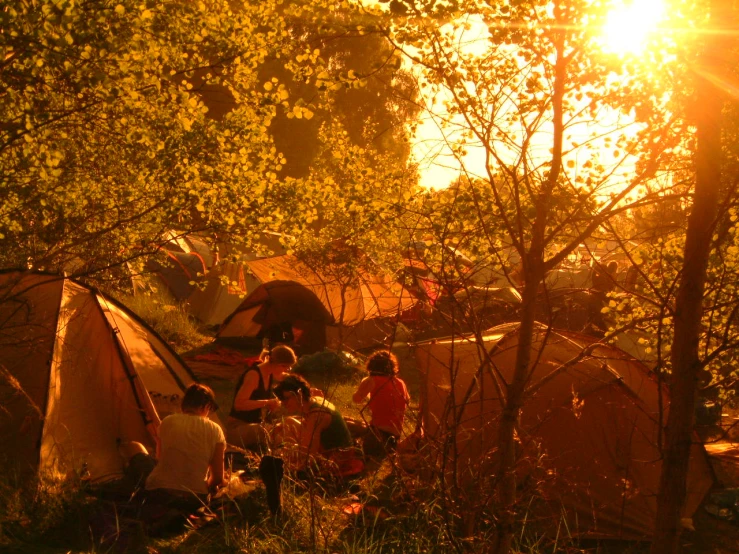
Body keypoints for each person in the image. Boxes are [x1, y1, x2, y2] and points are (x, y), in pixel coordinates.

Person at [144, 383, 225, 511]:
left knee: (138, 453)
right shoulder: (215, 430)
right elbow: (218, 478)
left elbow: (159, 457)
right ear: (207, 406)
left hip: (160, 492)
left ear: (184, 404)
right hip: (193, 499)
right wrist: (205, 486)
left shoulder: (167, 422)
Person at [272, 374, 361, 476]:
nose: (283, 403)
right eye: (281, 400)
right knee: (288, 422)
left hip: (338, 457)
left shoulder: (316, 415)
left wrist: (291, 467)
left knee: (290, 454)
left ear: (299, 394)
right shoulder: (314, 400)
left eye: (286, 398)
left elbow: (310, 453)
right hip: (332, 448)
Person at [226, 344, 297, 451]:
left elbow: (290, 379)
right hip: (236, 428)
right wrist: (267, 402)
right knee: (263, 430)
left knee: (288, 423)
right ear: (276, 363)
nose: (286, 370)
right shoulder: (254, 375)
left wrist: (309, 390)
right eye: (285, 367)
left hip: (254, 426)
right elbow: (239, 404)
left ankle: (293, 455)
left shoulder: (269, 374)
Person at [352, 350, 410, 457]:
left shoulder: (371, 380)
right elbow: (407, 401)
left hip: (377, 435)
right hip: (395, 436)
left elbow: (356, 399)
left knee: (348, 424)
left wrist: (364, 383)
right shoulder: (400, 383)